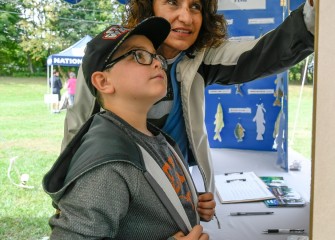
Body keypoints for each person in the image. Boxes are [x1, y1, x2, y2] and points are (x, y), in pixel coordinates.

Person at [61, 0, 315, 194]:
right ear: (149, 6)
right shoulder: (107, 55)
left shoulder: (200, 57)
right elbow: (78, 126)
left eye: (195, 6)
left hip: (176, 189)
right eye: (172, 2)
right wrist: (68, 193)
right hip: (117, 188)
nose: (186, 17)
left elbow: (261, 54)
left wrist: (313, 17)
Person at [43, 17, 215, 239]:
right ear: (103, 82)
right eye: (139, 55)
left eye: (156, 56)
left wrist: (188, 203)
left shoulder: (153, 136)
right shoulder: (108, 163)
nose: (156, 63)